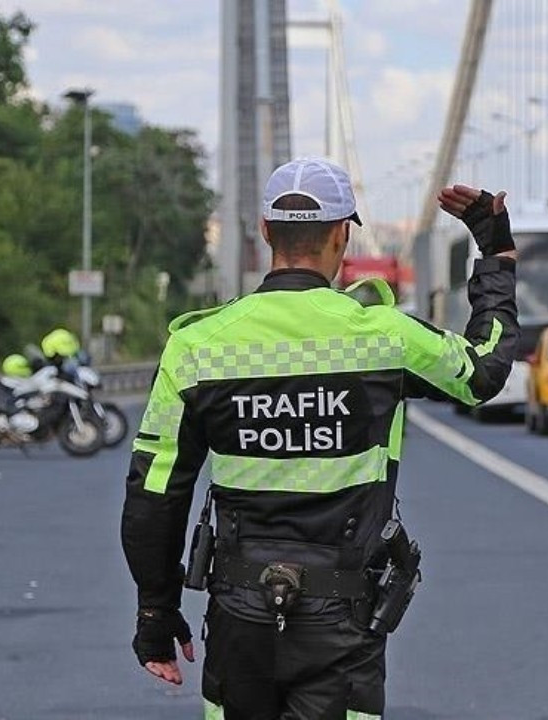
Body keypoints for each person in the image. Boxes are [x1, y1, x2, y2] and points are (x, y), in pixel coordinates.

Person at [120, 157, 519, 719]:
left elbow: (154, 494)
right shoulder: (384, 336)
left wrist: (155, 614)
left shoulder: (198, 347)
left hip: (239, 614)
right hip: (344, 617)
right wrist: (495, 253)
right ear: (342, 233)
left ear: (265, 233)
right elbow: (485, 371)